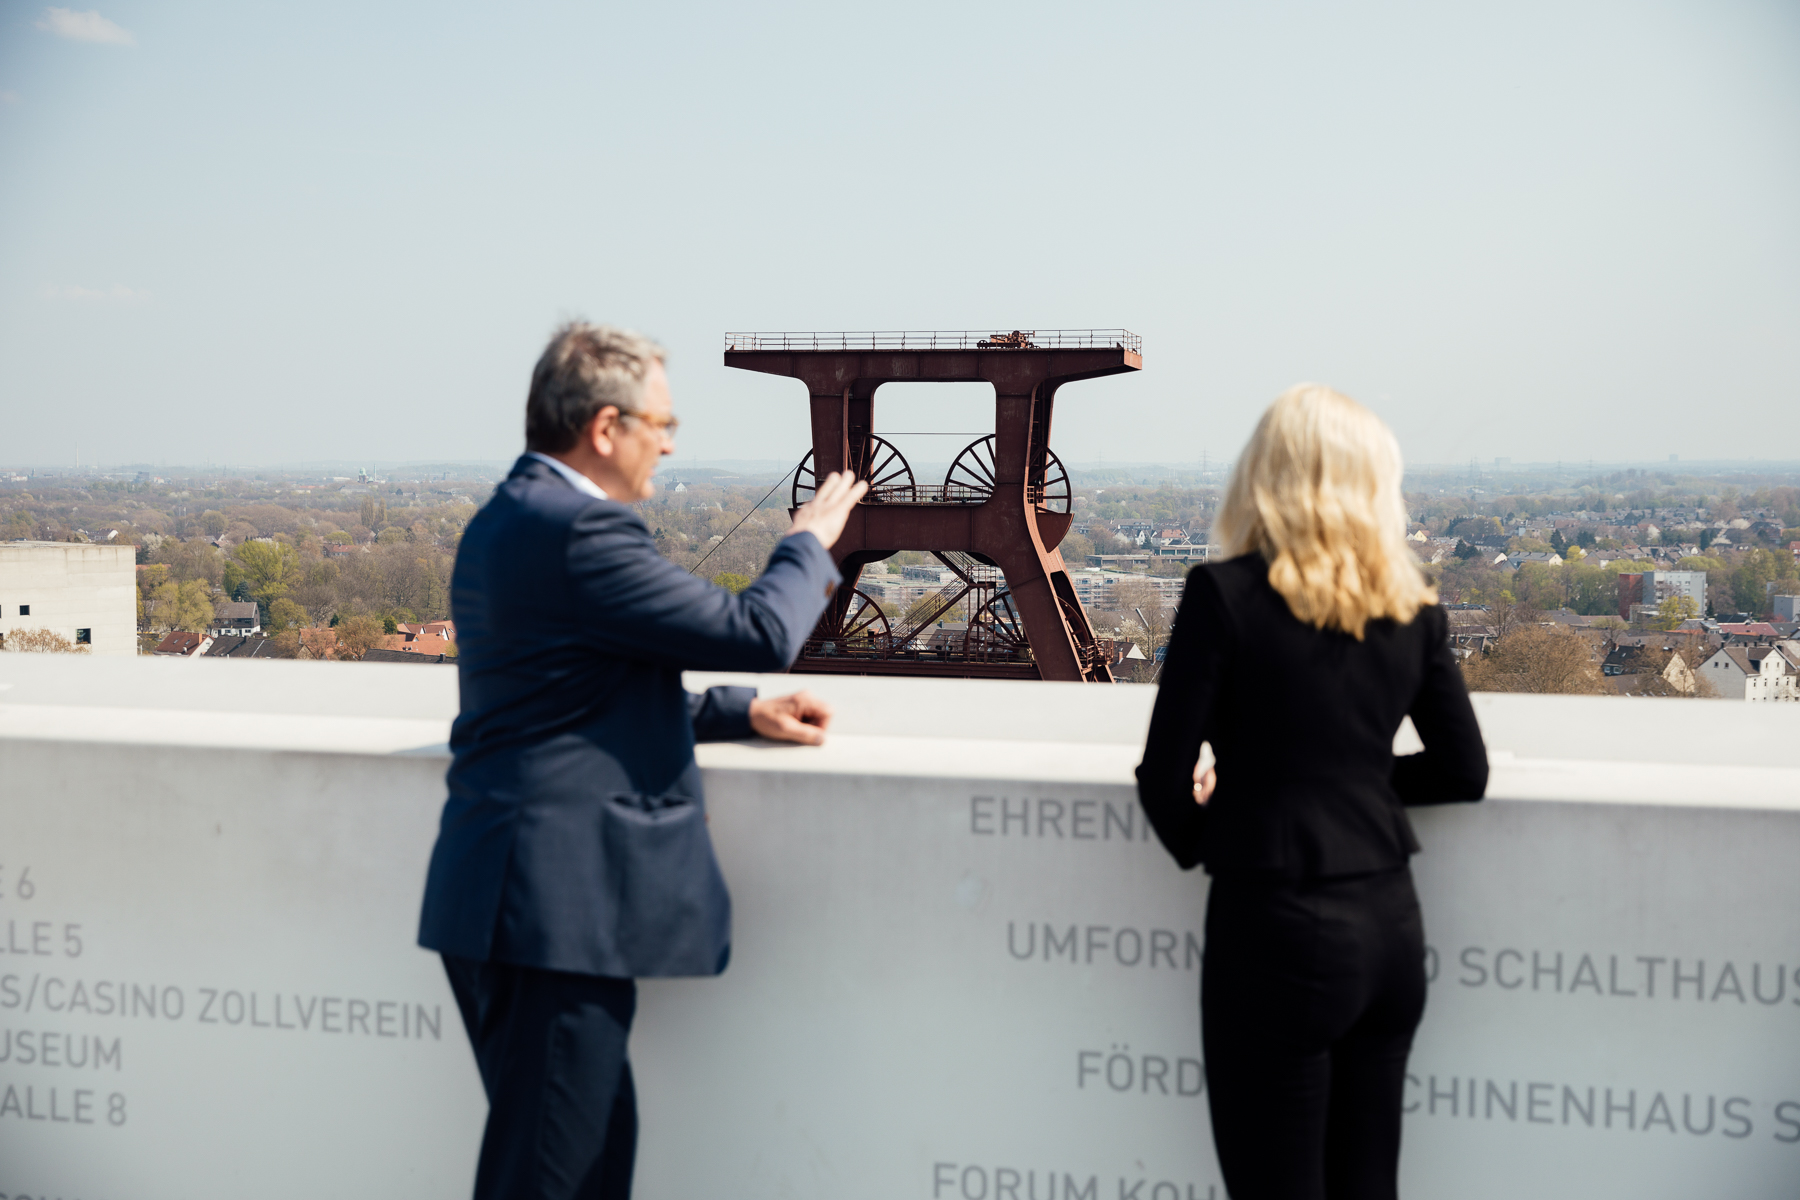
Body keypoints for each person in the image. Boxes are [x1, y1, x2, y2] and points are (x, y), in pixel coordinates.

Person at [417, 322, 867, 1199]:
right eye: (663, 422)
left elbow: (567, 698)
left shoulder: (507, 520)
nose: (668, 440)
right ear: (605, 426)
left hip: (506, 898)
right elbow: (761, 631)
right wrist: (811, 541)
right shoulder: (582, 533)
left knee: (579, 1164)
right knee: (556, 1176)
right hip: (553, 913)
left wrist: (740, 714)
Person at [1136, 385, 1487, 1200]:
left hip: (1275, 926)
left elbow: (1164, 779)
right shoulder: (1412, 608)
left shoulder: (1223, 596)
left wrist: (1216, 828)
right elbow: (1463, 773)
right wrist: (1353, 786)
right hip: (1391, 928)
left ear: (1264, 477)